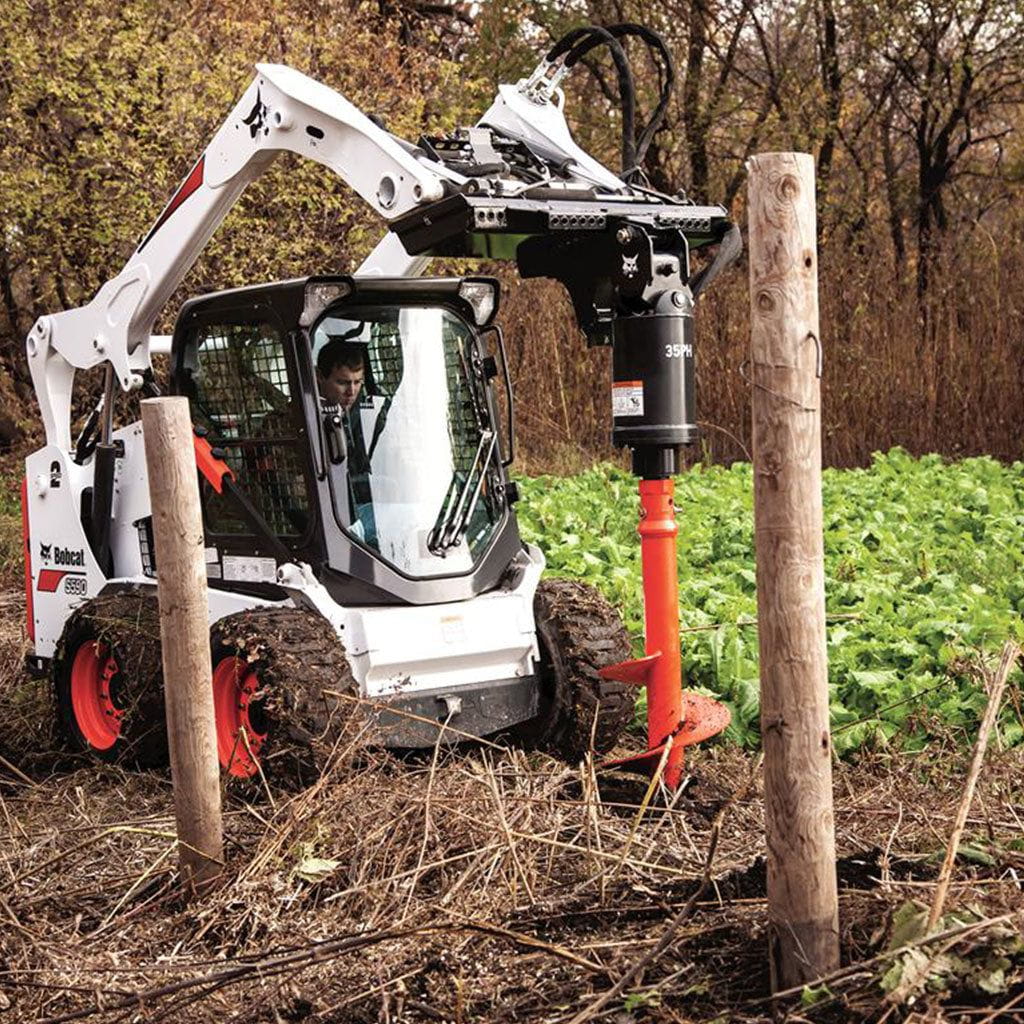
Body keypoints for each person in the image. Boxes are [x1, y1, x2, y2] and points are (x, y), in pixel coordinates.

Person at [317, 340, 366, 412]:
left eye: (357, 382)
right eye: (343, 383)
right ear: (320, 376)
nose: (351, 392)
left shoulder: (366, 410)